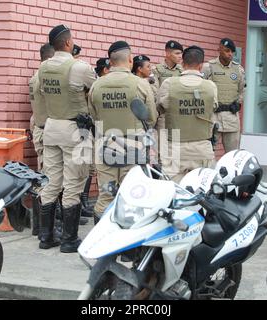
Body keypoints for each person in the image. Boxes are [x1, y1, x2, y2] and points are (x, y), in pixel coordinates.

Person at [38, 25, 97, 253]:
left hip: (52, 127)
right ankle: (69, 240)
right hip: (75, 129)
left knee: (51, 182)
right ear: (69, 43)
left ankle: (46, 236)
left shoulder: (43, 68)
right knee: (74, 183)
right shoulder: (79, 67)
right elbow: (97, 89)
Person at [88, 41, 157, 224]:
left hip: (106, 144)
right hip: (134, 146)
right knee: (133, 195)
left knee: (106, 195)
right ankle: (130, 251)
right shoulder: (140, 84)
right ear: (130, 59)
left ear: (110, 62)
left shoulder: (97, 85)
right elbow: (151, 117)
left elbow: (94, 115)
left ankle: (103, 247)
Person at [157, 45, 217, 182]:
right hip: (202, 147)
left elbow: (159, 108)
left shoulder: (169, 84)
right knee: (203, 193)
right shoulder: (210, 86)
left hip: (174, 147)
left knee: (171, 193)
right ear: (201, 66)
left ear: (183, 63)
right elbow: (213, 108)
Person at [201, 38, 245, 154]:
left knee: (233, 154)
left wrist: (239, 102)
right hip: (213, 116)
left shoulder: (238, 69)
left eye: (232, 51)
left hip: (231, 117)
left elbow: (242, 90)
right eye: (226, 51)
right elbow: (200, 88)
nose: (230, 54)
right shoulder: (208, 67)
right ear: (219, 50)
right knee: (208, 152)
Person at [28, 43, 55, 236]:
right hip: (44, 128)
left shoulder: (36, 76)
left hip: (41, 126)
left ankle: (42, 225)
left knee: (46, 176)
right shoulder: (43, 78)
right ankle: (41, 227)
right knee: (47, 178)